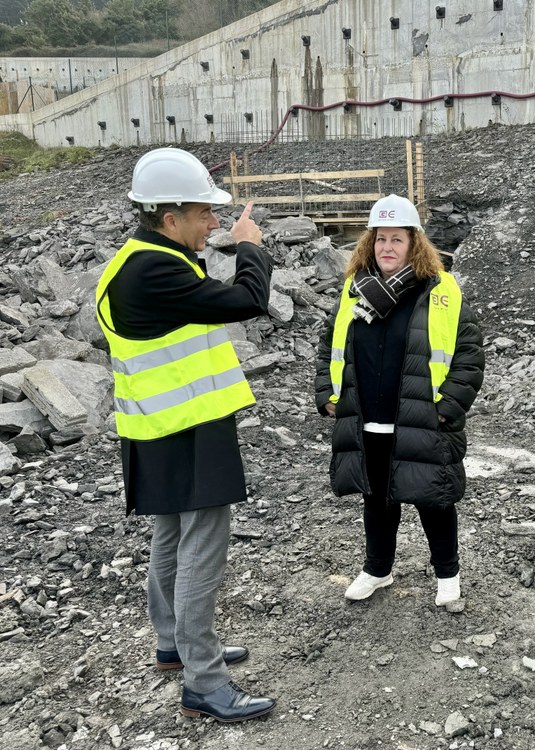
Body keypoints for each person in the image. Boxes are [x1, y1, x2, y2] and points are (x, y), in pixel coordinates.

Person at [95, 147, 276, 722]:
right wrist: (249, 247)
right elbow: (247, 300)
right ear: (170, 219)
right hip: (187, 427)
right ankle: (205, 682)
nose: (214, 222)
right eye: (205, 213)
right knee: (202, 545)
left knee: (172, 535)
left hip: (158, 426)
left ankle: (173, 644)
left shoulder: (137, 259)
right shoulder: (156, 269)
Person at [314, 194, 484, 606]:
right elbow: (328, 345)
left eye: (397, 239)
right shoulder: (355, 290)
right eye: (380, 238)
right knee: (376, 500)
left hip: (421, 418)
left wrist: (447, 408)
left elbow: (469, 355)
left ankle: (447, 574)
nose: (387, 247)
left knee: (433, 499)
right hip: (368, 418)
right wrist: (326, 394)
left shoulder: (440, 290)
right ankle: (378, 569)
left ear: (414, 244)